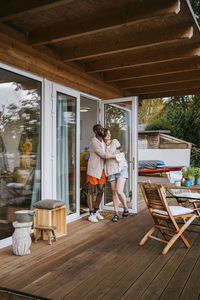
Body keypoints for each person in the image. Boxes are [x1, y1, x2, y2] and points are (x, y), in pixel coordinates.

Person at [87, 124, 115, 223]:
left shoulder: (103, 141)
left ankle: (96, 211)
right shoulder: (94, 142)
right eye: (99, 129)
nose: (102, 130)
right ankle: (90, 214)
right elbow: (103, 155)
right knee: (91, 191)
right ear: (95, 131)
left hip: (101, 169)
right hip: (94, 169)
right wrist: (115, 157)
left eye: (102, 128)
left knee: (100, 190)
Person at [104, 129, 129, 222]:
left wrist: (110, 156)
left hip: (120, 168)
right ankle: (116, 213)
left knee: (119, 190)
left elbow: (121, 154)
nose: (108, 135)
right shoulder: (102, 146)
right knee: (114, 192)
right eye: (106, 134)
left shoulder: (115, 142)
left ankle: (125, 207)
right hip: (110, 170)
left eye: (109, 133)